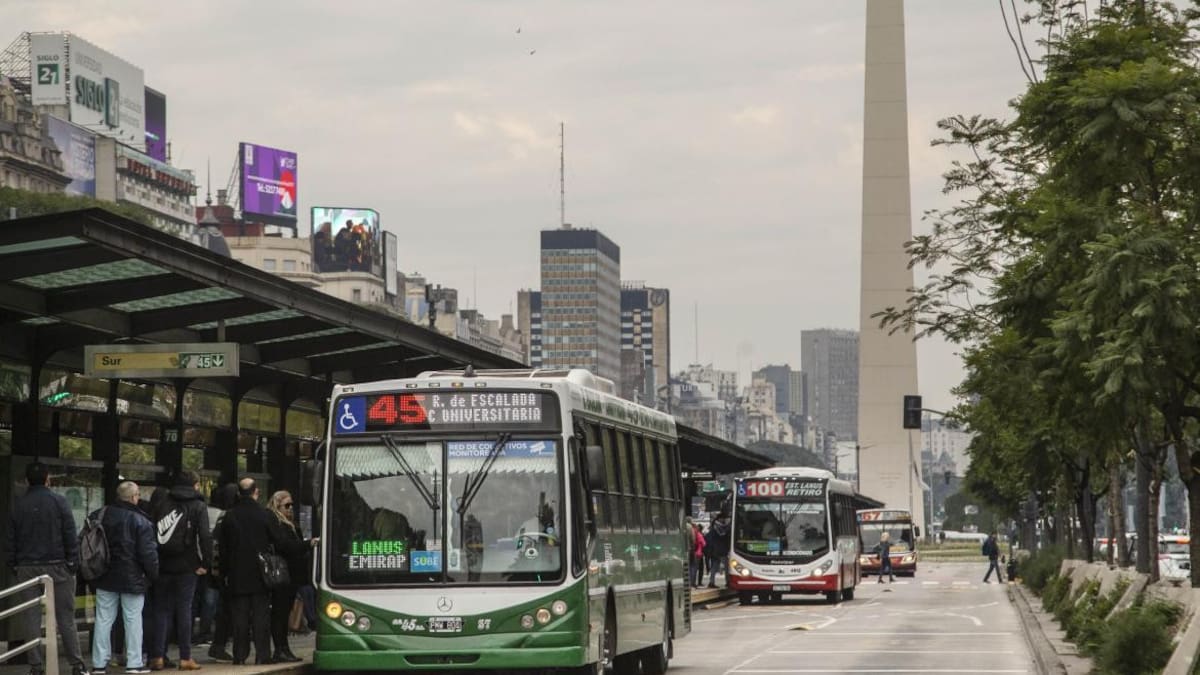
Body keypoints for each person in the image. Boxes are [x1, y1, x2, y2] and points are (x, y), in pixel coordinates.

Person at [5, 462, 90, 675]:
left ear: (26, 481)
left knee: (31, 617)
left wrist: (14, 564)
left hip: (26, 567)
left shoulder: (18, 505)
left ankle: (36, 666)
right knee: (65, 617)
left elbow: (10, 540)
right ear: (47, 479)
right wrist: (72, 563)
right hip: (58, 566)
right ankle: (76, 665)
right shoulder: (59, 502)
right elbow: (70, 534)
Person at [90, 482, 158, 675]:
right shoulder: (141, 521)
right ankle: (134, 663)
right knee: (133, 620)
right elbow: (148, 554)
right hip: (133, 577)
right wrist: (153, 576)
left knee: (103, 619)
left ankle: (98, 664)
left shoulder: (99, 515)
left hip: (104, 575)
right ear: (134, 497)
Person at [149, 472, 212, 671]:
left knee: (161, 610)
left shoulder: (161, 503)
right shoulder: (198, 506)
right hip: (187, 565)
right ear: (194, 486)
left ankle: (158, 656)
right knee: (184, 609)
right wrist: (205, 563)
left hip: (162, 564)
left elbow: (151, 532)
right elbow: (204, 536)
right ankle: (185, 658)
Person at [219, 478, 278, 665]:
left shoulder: (230, 516)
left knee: (240, 618)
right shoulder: (265, 514)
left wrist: (223, 574)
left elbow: (223, 548)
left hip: (237, 574)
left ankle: (240, 655)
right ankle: (262, 654)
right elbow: (277, 540)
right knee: (261, 617)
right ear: (256, 492)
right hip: (261, 573)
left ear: (238, 493)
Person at [265, 491, 315, 664]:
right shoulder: (277, 522)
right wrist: (308, 544)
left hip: (292, 575)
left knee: (284, 612)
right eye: (287, 505)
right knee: (280, 613)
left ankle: (283, 648)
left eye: (292, 505)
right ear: (277, 505)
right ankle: (280, 649)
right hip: (283, 576)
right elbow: (285, 546)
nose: (290, 508)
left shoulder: (289, 523)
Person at [206, 484, 239, 663]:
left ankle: (219, 644)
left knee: (223, 610)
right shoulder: (230, 517)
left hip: (218, 571)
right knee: (227, 611)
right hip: (228, 572)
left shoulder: (221, 517)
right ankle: (219, 645)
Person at [705, 515, 731, 589]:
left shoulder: (713, 528)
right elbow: (725, 536)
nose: (724, 520)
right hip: (722, 550)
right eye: (723, 518)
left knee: (714, 566)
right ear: (720, 519)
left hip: (714, 550)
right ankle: (728, 581)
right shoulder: (724, 528)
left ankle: (712, 582)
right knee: (727, 566)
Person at [691, 520, 706, 588]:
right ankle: (694, 583)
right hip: (698, 553)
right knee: (696, 568)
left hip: (693, 552)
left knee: (692, 568)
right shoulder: (699, 534)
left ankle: (692, 582)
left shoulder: (692, 532)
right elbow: (704, 544)